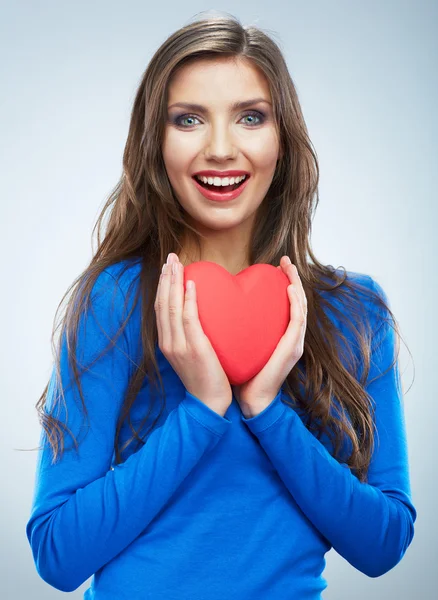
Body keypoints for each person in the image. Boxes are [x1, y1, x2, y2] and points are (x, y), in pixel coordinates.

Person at [26, 14, 417, 600]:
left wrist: (266, 409)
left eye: (250, 117)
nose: (220, 148)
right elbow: (57, 554)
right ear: (156, 144)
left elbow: (384, 545)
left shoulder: (353, 311)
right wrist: (203, 408)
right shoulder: (114, 301)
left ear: (282, 140)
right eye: (188, 120)